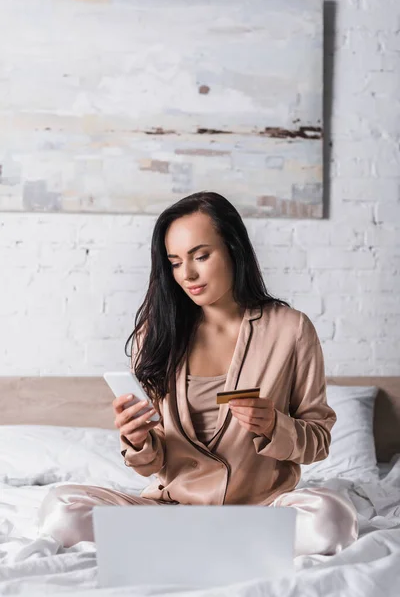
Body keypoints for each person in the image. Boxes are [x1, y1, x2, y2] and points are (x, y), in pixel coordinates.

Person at [37, 191, 358, 555]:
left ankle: (189, 543)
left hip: (261, 511)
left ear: (234, 249)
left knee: (331, 519)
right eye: (174, 262)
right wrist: (139, 440)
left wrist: (274, 426)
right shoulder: (156, 335)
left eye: (200, 256)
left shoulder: (291, 329)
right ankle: (216, 542)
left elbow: (318, 440)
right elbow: (152, 464)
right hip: (173, 511)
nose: (187, 274)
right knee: (61, 511)